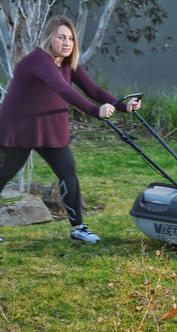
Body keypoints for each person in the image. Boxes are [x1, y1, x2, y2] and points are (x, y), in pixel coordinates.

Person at [0, 15, 140, 244]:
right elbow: (63, 90)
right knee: (2, 175)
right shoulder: (39, 61)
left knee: (68, 172)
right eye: (61, 37)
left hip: (48, 128)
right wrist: (96, 112)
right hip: (19, 127)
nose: (67, 43)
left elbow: (93, 89)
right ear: (49, 38)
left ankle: (78, 228)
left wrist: (123, 106)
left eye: (71, 39)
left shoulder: (66, 63)